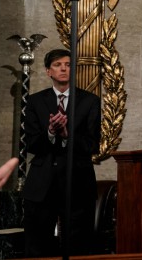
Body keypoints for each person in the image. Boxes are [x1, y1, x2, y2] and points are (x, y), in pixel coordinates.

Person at [22, 49, 101, 257]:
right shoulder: (35, 101)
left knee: (79, 245)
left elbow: (93, 144)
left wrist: (67, 135)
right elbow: (30, 144)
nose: (63, 68)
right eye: (57, 65)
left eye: (67, 64)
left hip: (78, 181)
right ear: (48, 71)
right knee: (38, 245)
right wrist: (50, 132)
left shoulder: (89, 101)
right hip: (42, 183)